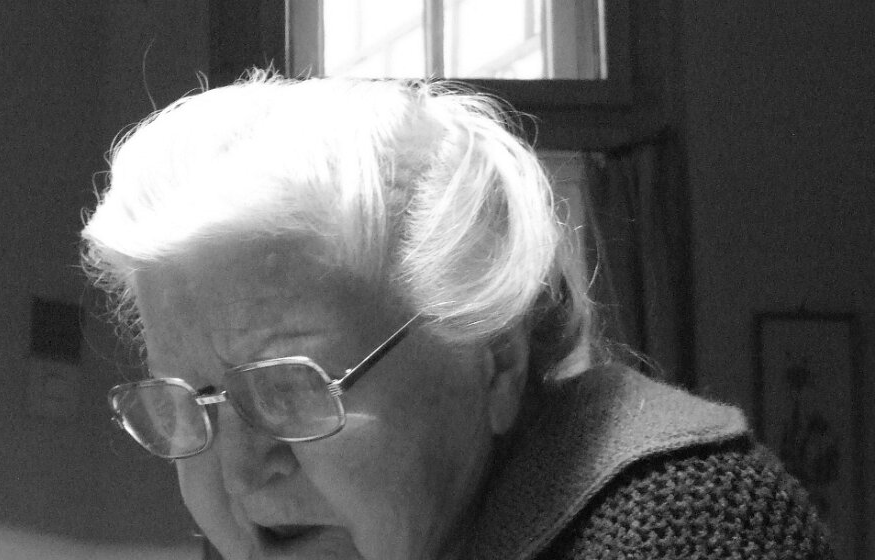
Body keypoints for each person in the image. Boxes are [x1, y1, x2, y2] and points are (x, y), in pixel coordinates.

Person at [82, 73, 831, 559]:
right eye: (188, 404)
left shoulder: (684, 529)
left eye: (288, 387)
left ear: (493, 357)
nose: (239, 470)